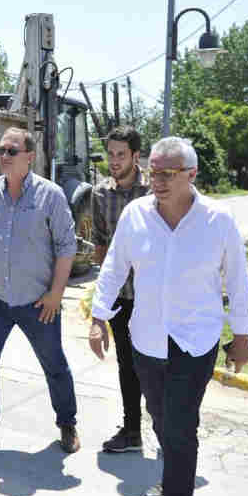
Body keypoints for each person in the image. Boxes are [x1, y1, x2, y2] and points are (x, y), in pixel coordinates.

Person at [89, 136, 248, 496]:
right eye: (153, 173)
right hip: (146, 338)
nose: (156, 181)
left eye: (167, 173)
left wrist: (242, 336)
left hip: (194, 342)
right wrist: (97, 315)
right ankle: (176, 477)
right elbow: (113, 267)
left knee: (179, 427)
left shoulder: (217, 220)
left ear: (191, 175)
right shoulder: (135, 216)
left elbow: (237, 279)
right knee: (161, 418)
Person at [0, 127, 80, 457]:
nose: (4, 156)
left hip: (39, 302)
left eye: (11, 150)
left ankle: (67, 424)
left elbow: (67, 246)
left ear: (30, 156)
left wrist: (55, 294)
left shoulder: (50, 195)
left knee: (54, 364)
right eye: (0, 150)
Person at [91, 126, 150, 456]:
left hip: (155, 296)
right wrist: (101, 294)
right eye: (111, 154)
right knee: (127, 364)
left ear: (135, 156)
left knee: (160, 363)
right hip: (121, 296)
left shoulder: (155, 190)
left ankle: (171, 430)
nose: (114, 161)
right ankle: (131, 430)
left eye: (121, 155)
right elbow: (101, 245)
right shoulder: (100, 195)